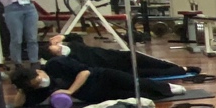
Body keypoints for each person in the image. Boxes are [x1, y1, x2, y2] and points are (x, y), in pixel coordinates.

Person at [9, 57, 187, 108]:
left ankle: (169, 88)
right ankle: (161, 93)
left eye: (37, 80)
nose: (39, 84)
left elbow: (84, 72)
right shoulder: (40, 90)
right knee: (136, 96)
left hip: (102, 76)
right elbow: (18, 105)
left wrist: (69, 91)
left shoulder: (56, 64)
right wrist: (23, 89)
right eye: (34, 85)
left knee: (137, 83)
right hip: (96, 94)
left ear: (38, 72)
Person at [42, 33, 200, 78]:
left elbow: (76, 37)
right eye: (55, 49)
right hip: (116, 69)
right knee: (151, 72)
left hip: (119, 56)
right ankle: (183, 70)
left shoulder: (73, 46)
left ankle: (177, 67)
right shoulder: (68, 60)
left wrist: (62, 36)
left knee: (155, 62)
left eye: (57, 46)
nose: (58, 47)